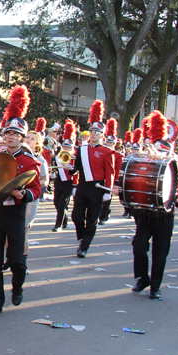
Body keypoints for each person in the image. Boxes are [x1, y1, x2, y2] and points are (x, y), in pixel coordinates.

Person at [0, 86, 42, 316]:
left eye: (16, 134)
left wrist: (24, 195)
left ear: (22, 137)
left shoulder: (29, 161)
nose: (11, 137)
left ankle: (18, 284)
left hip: (15, 214)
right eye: (8, 133)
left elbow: (36, 189)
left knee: (17, 260)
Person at [131, 113, 178, 300]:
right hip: (146, 215)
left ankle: (155, 287)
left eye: (162, 152)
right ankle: (143, 278)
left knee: (160, 253)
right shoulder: (146, 167)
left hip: (165, 217)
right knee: (139, 247)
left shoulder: (175, 170)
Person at [71, 100, 116, 258]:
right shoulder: (81, 149)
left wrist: (108, 191)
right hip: (83, 187)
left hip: (98, 189)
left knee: (92, 219)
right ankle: (82, 236)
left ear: (102, 135)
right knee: (76, 216)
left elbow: (110, 172)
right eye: (92, 131)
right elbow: (76, 167)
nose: (94, 134)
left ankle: (84, 247)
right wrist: (71, 173)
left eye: (97, 132)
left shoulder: (107, 151)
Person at [51, 121, 76, 232]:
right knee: (56, 202)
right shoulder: (57, 156)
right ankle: (64, 220)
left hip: (68, 184)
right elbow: (54, 166)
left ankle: (58, 225)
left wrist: (72, 170)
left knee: (62, 205)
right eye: (64, 146)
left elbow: (77, 172)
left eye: (68, 147)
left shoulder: (74, 158)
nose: (66, 148)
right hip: (58, 182)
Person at [24, 125, 49, 230]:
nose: (29, 140)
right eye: (27, 137)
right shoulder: (19, 155)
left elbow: (45, 180)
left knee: (24, 230)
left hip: (31, 196)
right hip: (16, 195)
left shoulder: (40, 160)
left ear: (37, 143)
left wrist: (32, 183)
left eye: (32, 138)